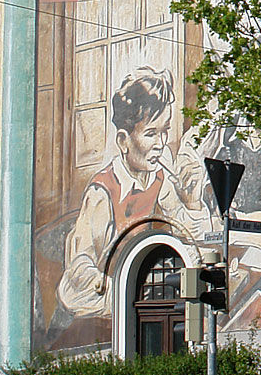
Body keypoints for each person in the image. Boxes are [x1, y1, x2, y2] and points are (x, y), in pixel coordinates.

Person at [56, 66, 207, 317]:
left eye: (165, 131)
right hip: (102, 300)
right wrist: (125, 288)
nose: (161, 144)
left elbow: (189, 232)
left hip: (144, 286)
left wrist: (192, 203)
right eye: (151, 134)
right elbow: (79, 267)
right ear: (123, 141)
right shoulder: (103, 191)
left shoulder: (158, 176)